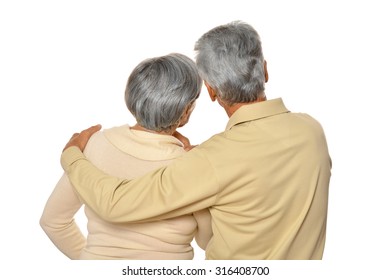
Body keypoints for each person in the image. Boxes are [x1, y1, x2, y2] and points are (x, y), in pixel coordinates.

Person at [60, 21, 332, 259]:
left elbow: (115, 204)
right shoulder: (312, 131)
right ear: (265, 69)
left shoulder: (212, 159)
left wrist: (72, 156)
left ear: (211, 91)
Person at [40, 53, 212, 260]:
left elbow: (53, 221)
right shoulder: (193, 165)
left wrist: (91, 259)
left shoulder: (94, 144)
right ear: (185, 110)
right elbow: (208, 240)